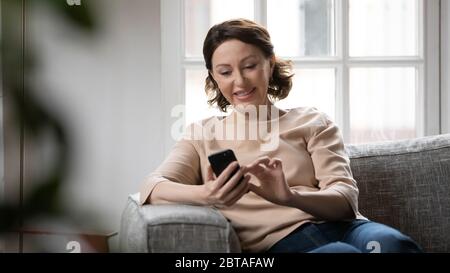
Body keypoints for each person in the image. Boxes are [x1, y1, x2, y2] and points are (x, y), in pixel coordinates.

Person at [139, 19, 422, 253]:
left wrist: (289, 197)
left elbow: (345, 198)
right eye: (225, 72)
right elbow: (152, 187)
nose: (239, 81)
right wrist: (206, 194)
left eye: (250, 66)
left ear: (269, 64)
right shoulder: (201, 135)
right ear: (214, 78)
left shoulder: (312, 121)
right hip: (280, 245)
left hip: (348, 228)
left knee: (393, 244)